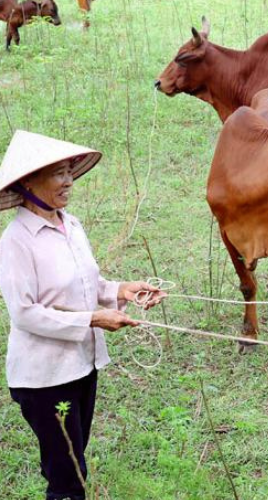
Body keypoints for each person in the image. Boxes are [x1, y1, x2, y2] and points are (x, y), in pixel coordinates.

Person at [0, 130, 165, 500]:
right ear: (28, 181)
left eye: (69, 171)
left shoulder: (70, 224)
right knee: (68, 478)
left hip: (81, 367)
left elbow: (90, 283)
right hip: (44, 380)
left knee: (75, 461)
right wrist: (93, 319)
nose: (68, 181)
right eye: (58, 173)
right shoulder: (15, 242)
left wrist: (123, 290)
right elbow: (25, 313)